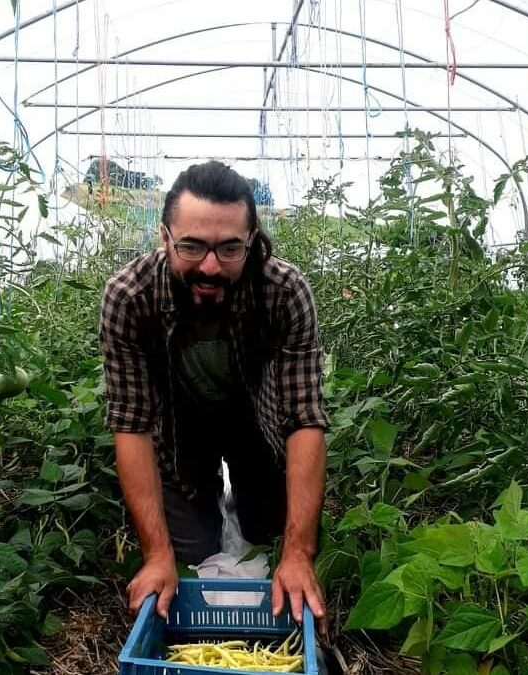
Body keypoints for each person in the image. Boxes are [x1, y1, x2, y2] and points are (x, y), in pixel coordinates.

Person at [99, 160, 328, 633]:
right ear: (165, 237)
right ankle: (190, 517)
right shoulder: (129, 297)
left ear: (252, 241)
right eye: (192, 246)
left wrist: (298, 552)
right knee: (190, 554)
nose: (210, 266)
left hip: (257, 421)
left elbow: (304, 418)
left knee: (271, 538)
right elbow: (132, 425)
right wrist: (156, 555)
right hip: (179, 426)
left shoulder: (284, 292)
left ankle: (261, 510)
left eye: (229, 249)